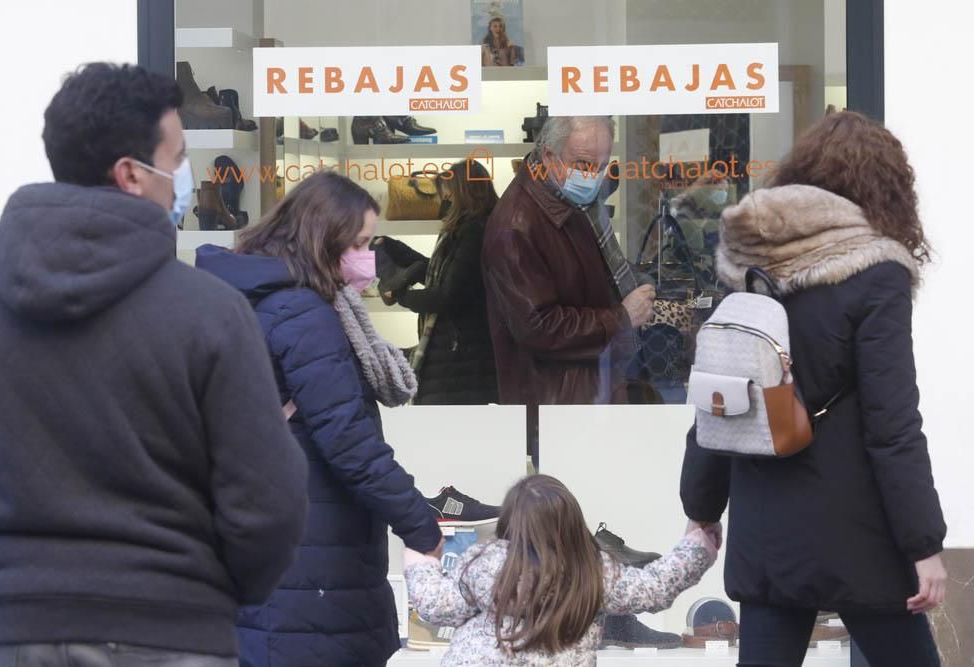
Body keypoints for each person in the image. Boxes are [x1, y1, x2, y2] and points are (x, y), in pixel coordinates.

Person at [0, 63, 308, 665]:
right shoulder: (211, 313)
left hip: (15, 631)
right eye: (177, 159)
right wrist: (214, 594)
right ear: (131, 174)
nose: (188, 178)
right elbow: (269, 500)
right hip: (176, 633)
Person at [680, 111, 948, 667]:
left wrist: (701, 506)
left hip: (766, 522)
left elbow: (719, 397)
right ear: (884, 186)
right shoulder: (877, 272)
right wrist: (923, 544)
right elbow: (892, 422)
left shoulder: (747, 261)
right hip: (859, 532)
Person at [195, 170, 444, 667]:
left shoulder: (246, 296)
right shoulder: (304, 313)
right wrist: (421, 525)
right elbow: (349, 442)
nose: (367, 258)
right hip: (312, 560)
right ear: (322, 238)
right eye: (359, 243)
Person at [402, 474, 718, 665]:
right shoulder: (592, 570)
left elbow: (437, 605)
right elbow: (655, 587)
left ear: (510, 521)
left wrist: (421, 557)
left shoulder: (485, 562)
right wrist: (698, 544)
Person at [482, 116, 656, 452]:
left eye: (602, 165)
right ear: (548, 156)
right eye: (582, 164)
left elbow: (586, 278)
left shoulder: (570, 203)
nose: (592, 175)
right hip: (559, 405)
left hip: (585, 394)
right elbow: (538, 326)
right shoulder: (517, 226)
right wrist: (621, 316)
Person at [379, 160, 499, 404]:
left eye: (449, 197)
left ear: (463, 194)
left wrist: (401, 295)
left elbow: (449, 296)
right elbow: (446, 275)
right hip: (459, 355)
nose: (445, 204)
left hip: (460, 357)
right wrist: (398, 251)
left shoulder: (474, 232)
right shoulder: (466, 230)